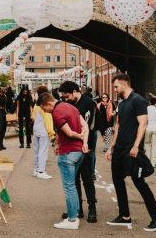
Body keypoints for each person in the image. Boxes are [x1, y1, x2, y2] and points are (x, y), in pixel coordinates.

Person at [105, 74, 156, 232]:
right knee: (117, 180)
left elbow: (143, 124)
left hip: (131, 150)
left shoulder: (137, 100)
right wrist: (111, 147)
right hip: (119, 149)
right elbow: (118, 126)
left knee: (139, 183)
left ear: (125, 85)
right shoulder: (122, 102)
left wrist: (136, 146)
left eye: (116, 87)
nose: (115, 90)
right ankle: (125, 216)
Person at [37, 92, 89, 230]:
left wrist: (78, 137)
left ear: (49, 103)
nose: (44, 112)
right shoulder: (71, 106)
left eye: (43, 108)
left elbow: (69, 132)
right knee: (73, 185)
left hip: (68, 153)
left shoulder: (56, 112)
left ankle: (72, 220)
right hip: (78, 152)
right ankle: (75, 215)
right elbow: (85, 126)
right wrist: (84, 142)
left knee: (69, 187)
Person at [59, 81, 98, 223]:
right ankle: (77, 208)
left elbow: (90, 125)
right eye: (63, 97)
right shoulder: (67, 104)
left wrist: (85, 143)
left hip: (86, 145)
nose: (65, 99)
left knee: (87, 178)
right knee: (74, 178)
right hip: (71, 144)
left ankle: (92, 208)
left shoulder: (88, 103)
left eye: (67, 96)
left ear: (75, 91)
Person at [31, 86, 55, 179]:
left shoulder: (36, 105)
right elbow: (48, 120)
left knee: (36, 150)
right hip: (43, 129)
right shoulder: (45, 106)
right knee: (43, 151)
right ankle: (41, 171)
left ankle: (36, 170)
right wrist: (52, 134)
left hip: (36, 128)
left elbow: (33, 117)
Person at [145, 98, 156, 167]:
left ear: (149, 102)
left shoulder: (146, 109)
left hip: (148, 128)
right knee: (154, 145)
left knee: (147, 144)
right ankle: (153, 162)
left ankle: (148, 160)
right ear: (155, 103)